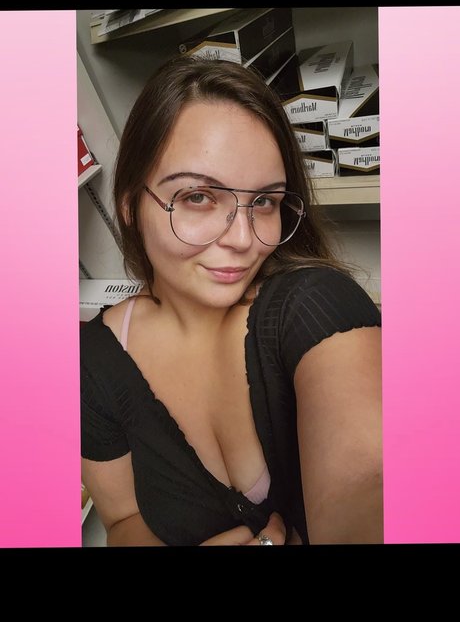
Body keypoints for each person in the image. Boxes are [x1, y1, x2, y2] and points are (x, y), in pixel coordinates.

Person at [80, 56, 382, 546]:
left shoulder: (312, 306)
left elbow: (370, 484)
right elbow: (123, 521)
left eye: (265, 201)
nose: (244, 239)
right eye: (198, 197)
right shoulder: (94, 362)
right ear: (131, 207)